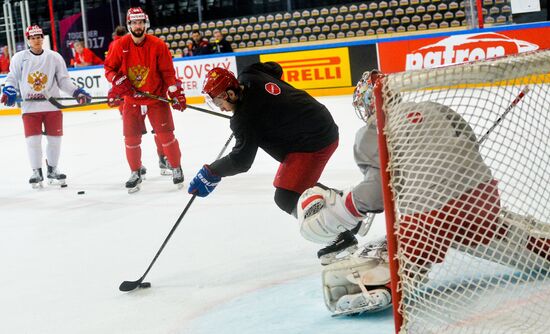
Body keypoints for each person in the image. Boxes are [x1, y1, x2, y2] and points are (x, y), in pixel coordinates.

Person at [297, 69, 550, 316]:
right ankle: (543, 246)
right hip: (481, 197)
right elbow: (468, 145)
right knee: (488, 230)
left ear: (368, 104)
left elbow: (375, 194)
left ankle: (382, 285)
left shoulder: (372, 131)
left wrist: (345, 207)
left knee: (413, 247)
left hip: (430, 210)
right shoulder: (437, 108)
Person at [188, 62, 339, 219]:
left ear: (231, 94)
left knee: (287, 197)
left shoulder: (244, 119)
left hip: (315, 139)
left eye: (219, 103)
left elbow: (241, 161)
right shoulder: (250, 73)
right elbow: (275, 68)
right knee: (294, 187)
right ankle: (348, 212)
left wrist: (212, 172)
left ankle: (340, 229)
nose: (220, 108)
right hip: (317, 118)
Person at [104, 7, 187, 193]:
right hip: (131, 101)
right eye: (134, 22)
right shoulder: (119, 45)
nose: (138, 26)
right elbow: (109, 69)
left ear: (146, 23)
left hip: (155, 98)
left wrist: (174, 91)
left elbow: (168, 72)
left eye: (141, 22)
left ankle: (176, 167)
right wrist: (115, 80)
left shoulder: (158, 45)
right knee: (131, 139)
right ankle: (135, 172)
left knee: (166, 136)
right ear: (129, 24)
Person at [0, 25, 91, 188]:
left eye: (38, 37)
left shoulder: (54, 57)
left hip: (52, 106)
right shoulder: (19, 58)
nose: (36, 40)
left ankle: (53, 169)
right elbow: (12, 77)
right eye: (32, 38)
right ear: (28, 40)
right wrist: (9, 89)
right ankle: (36, 171)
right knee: (33, 141)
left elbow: (63, 80)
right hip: (30, 107)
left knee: (55, 140)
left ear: (43, 38)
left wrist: (77, 92)